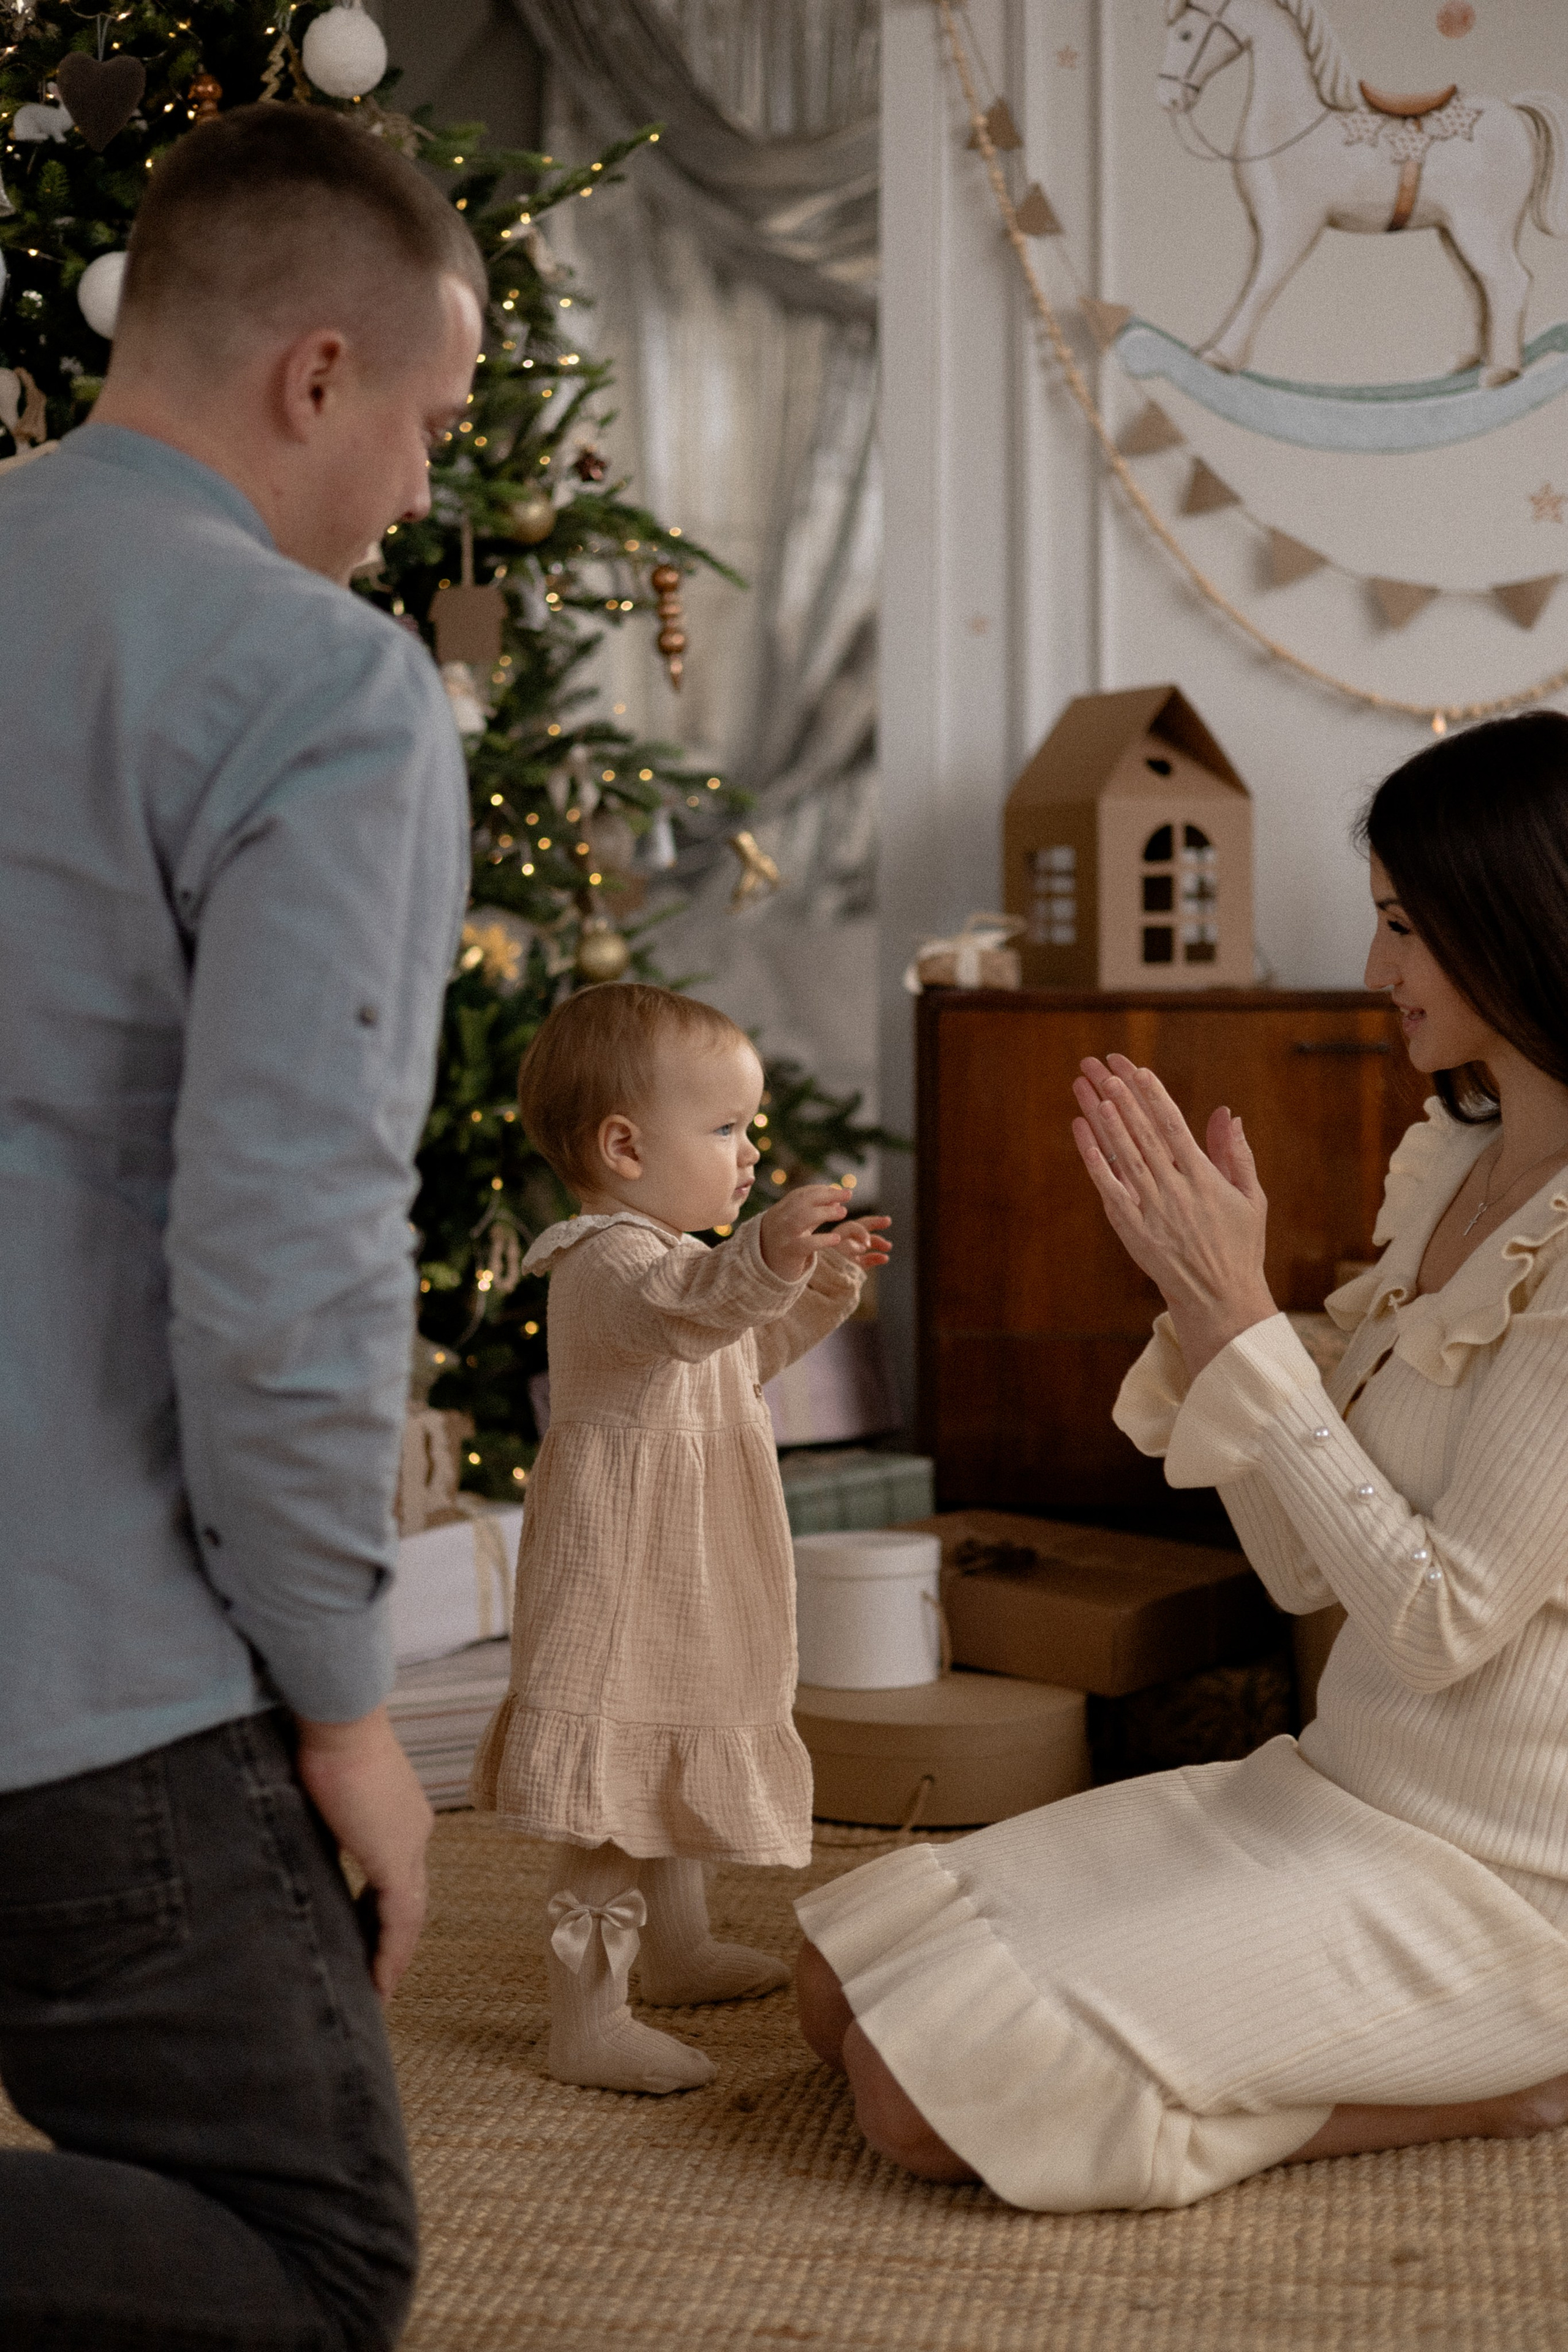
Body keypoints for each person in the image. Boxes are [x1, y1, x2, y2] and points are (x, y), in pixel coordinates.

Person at [795, 710, 1568, 2212]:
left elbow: (1433, 1622)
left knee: (910, 2105)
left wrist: (1241, 1324)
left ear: (1510, 920)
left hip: (1502, 1875)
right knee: (835, 1987)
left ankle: (1511, 2084)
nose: (1371, 971)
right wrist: (1205, 1321)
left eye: (1403, 927)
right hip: (1336, 1787)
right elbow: (1299, 1564)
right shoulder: (1454, 1173)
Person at [0, 105, 484, 2346]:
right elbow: (283, 1268)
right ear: (317, 374)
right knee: (309, 2261)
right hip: (85, 1681)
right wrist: (347, 1707)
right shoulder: (322, 689)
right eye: (430, 422)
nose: (419, 494)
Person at [470, 983, 891, 2092]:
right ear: (622, 1146)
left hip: (687, 1552)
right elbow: (690, 1310)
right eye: (723, 1129)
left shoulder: (674, 1259)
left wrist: (818, 1282)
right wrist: (763, 1257)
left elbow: (736, 1350)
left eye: (747, 1129)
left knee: (681, 1725)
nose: (748, 1152)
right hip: (620, 1564)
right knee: (616, 1783)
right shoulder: (608, 1258)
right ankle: (586, 2015)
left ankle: (679, 1948)